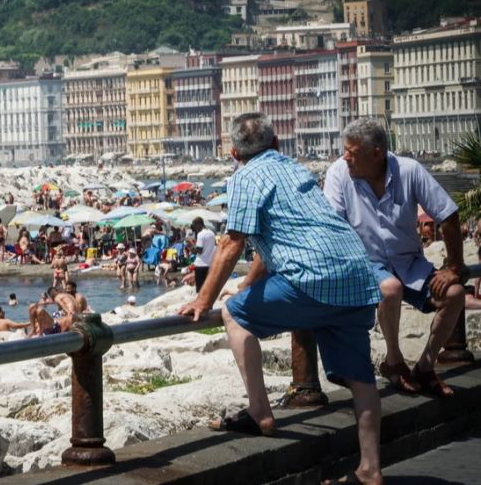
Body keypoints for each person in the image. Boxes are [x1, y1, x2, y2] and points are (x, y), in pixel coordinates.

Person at [178, 113, 383, 485]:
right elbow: (270, 245)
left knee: (235, 314)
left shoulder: (244, 177)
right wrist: (247, 284)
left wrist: (203, 301)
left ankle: (259, 412)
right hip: (355, 272)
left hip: (310, 277)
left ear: (232, 152)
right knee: (361, 378)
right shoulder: (294, 168)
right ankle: (370, 470)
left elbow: (233, 242)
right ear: (276, 144)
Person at [324, 118, 467, 397]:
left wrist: (454, 266)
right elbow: (333, 227)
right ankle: (394, 361)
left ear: (376, 153)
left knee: (456, 293)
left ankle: (425, 367)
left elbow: (448, 214)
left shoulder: (409, 170)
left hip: (409, 263)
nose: (345, 157)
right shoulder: (339, 173)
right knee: (390, 288)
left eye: (351, 152)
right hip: (367, 264)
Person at [191, 217, 216, 293]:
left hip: (201, 264)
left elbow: (199, 250)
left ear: (198, 224)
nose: (195, 229)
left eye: (194, 226)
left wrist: (192, 247)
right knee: (208, 289)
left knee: (200, 289)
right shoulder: (212, 233)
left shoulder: (200, 234)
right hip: (210, 263)